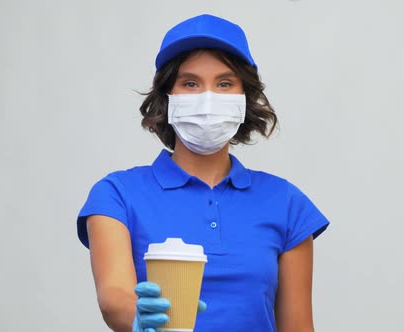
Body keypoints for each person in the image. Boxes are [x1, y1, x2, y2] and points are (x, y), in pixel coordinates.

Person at [76, 14, 330, 332]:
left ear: (244, 98)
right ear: (167, 98)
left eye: (224, 84)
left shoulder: (286, 203)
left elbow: (298, 327)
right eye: (190, 83)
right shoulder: (116, 194)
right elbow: (114, 297)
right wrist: (138, 317)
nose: (207, 99)